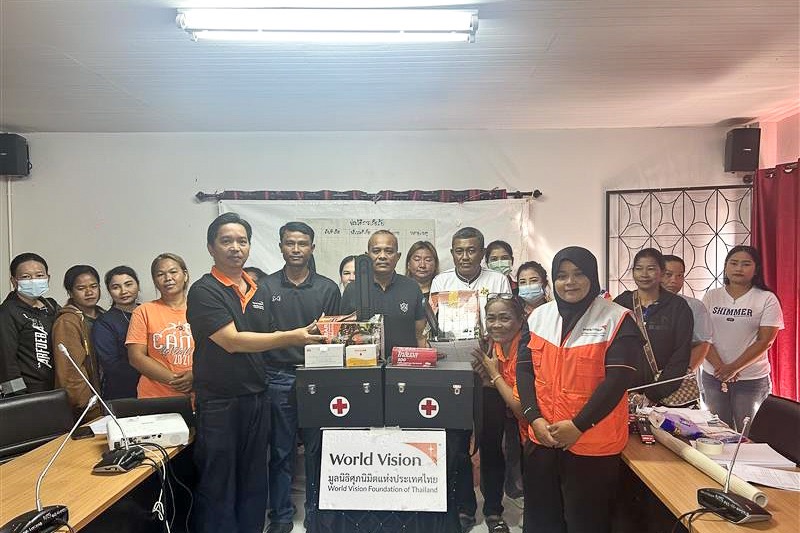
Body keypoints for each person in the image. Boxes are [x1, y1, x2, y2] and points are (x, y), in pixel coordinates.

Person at [187, 212, 325, 533]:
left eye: (242, 241)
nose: (235, 247)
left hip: (258, 396)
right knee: (220, 482)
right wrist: (294, 336)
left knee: (253, 481)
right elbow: (232, 341)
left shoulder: (257, 290)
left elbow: (266, 337)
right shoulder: (204, 290)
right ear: (211, 247)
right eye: (226, 241)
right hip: (220, 402)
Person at [516, 246, 641, 533]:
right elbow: (524, 370)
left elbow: (618, 381)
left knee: (587, 522)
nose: (569, 282)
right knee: (541, 521)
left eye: (578, 274)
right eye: (561, 276)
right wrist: (534, 418)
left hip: (591, 443)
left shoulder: (617, 319)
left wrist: (578, 425)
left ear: (592, 277)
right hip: (543, 438)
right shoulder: (538, 317)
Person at [429, 227, 510, 532]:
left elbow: (506, 324)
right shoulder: (441, 282)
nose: (465, 256)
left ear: (482, 252)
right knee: (458, 445)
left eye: (472, 250)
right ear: (452, 253)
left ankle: (493, 510)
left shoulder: (498, 281)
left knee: (491, 444)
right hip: (453, 374)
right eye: (459, 251)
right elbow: (435, 328)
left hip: (489, 373)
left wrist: (489, 357)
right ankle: (464, 508)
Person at [262, 222, 341, 532]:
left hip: (318, 377)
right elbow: (259, 336)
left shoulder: (328, 288)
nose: (296, 249)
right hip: (277, 376)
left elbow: (334, 338)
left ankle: (316, 513)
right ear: (281, 247)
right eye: (290, 243)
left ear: (312, 248)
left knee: (318, 450)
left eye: (302, 243)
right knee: (280, 451)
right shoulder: (265, 287)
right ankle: (281, 516)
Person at [701, 245, 784, 432]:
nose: (739, 268)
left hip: (751, 379)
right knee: (717, 432)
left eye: (746, 264)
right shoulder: (712, 296)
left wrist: (733, 368)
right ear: (726, 267)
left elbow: (765, 341)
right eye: (733, 263)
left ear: (756, 269)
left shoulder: (766, 298)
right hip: (713, 376)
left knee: (748, 433)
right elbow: (703, 335)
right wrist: (721, 368)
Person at [472, 295, 528, 533]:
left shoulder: (528, 348)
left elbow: (520, 404)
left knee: (525, 457)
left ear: (520, 320)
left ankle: (531, 507)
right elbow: (488, 382)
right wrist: (483, 377)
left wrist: (493, 374)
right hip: (494, 400)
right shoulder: (486, 345)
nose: (496, 325)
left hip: (524, 409)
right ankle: (493, 511)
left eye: (505, 318)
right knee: (491, 451)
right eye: (491, 318)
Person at [613, 248, 693, 404]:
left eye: (650, 269)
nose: (644, 274)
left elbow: (681, 354)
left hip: (666, 394)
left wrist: (653, 394)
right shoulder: (621, 303)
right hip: (627, 393)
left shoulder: (678, 307)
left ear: (661, 273)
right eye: (639, 268)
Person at [341, 230, 427, 354]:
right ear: (367, 256)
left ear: (398, 256)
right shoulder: (352, 289)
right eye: (376, 251)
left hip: (405, 363)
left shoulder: (412, 287)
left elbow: (420, 336)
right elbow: (343, 335)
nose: (382, 256)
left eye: (389, 251)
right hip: (363, 362)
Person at [126, 254, 194, 400]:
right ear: (155, 281)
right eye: (160, 274)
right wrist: (176, 380)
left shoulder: (202, 309)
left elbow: (217, 352)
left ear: (185, 275)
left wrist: (196, 376)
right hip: (155, 397)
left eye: (173, 272)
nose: (168, 278)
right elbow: (136, 357)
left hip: (201, 395)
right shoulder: (143, 311)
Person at [0, 253, 59, 396]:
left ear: (48, 278)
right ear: (14, 281)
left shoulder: (51, 306)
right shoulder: (8, 311)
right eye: (26, 277)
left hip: (56, 387)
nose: (34, 280)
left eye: (39, 275)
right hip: (28, 392)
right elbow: (6, 359)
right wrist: (17, 396)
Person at [53, 265, 105, 417]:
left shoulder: (104, 316)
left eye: (93, 286)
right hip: (88, 408)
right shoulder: (67, 321)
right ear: (70, 292)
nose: (89, 292)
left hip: (108, 397)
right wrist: (89, 406)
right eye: (81, 288)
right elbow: (70, 371)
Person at [91, 266, 141, 399]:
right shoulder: (104, 322)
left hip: (159, 388)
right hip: (124, 393)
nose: (124, 291)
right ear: (109, 291)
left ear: (138, 285)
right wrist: (151, 373)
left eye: (128, 284)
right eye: (116, 287)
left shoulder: (149, 312)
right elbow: (111, 365)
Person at [661, 255, 713, 371]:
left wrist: (685, 373)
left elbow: (702, 343)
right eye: (668, 275)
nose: (674, 280)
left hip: (679, 372)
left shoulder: (694, 306)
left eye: (680, 275)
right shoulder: (637, 304)